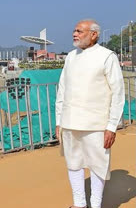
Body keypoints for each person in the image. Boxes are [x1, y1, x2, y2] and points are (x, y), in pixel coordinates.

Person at [55, 19, 125, 208]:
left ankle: (95, 204)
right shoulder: (70, 57)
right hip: (69, 122)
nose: (74, 34)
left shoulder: (106, 56)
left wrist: (111, 126)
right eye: (74, 30)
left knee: (98, 166)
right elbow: (62, 90)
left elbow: (117, 93)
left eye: (79, 31)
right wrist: (58, 121)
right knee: (74, 164)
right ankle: (79, 204)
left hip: (97, 124)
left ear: (94, 34)